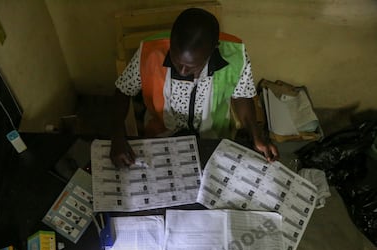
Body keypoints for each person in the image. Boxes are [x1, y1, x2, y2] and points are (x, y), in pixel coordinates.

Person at [110, 7, 279, 167]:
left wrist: (256, 134)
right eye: (177, 61)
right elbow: (124, 90)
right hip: (161, 137)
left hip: (213, 138)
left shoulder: (235, 55)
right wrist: (117, 135)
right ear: (171, 41)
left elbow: (242, 95)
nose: (183, 71)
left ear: (212, 50)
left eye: (192, 66)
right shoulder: (150, 51)